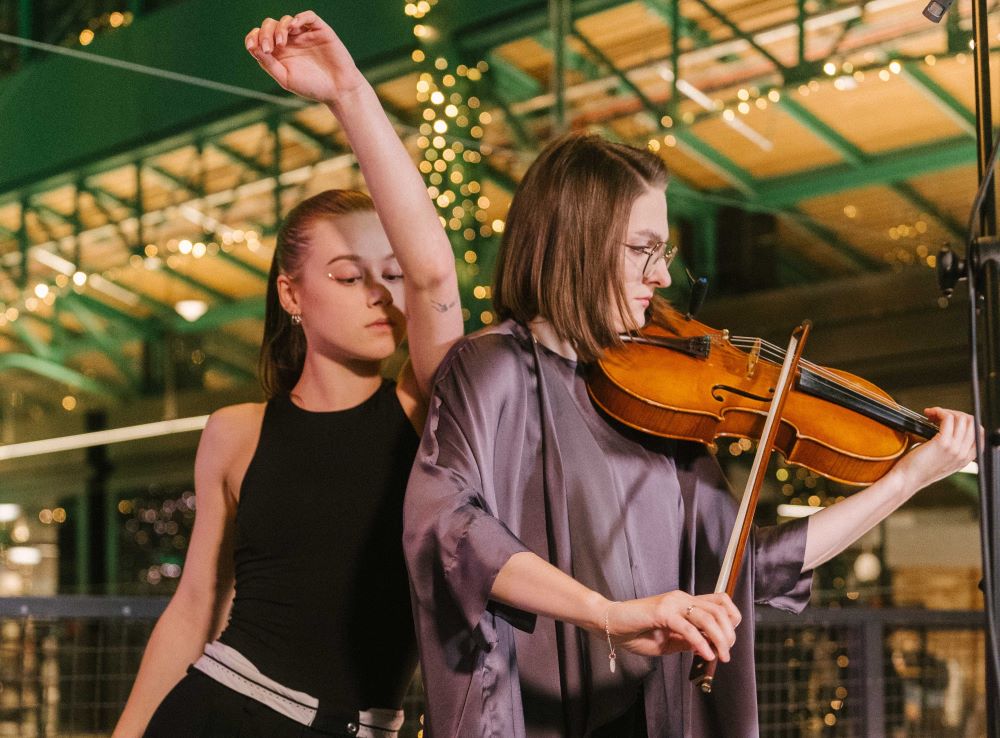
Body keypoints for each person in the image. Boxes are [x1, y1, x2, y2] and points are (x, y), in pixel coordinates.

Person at [402, 133, 977, 737]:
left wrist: (910, 477)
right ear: (575, 243)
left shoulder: (657, 396)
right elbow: (449, 530)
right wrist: (610, 616)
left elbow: (746, 564)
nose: (664, 275)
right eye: (641, 250)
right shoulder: (491, 367)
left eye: (665, 250)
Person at [114, 11, 463, 738]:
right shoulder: (235, 433)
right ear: (290, 293)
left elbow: (435, 280)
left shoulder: (424, 405)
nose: (381, 294)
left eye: (389, 274)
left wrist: (348, 95)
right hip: (219, 711)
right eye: (347, 275)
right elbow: (197, 604)